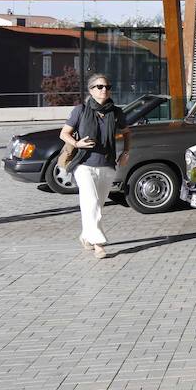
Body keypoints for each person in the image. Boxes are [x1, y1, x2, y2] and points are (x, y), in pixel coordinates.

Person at [60, 74, 130, 258]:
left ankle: (86, 236)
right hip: (84, 164)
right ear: (91, 90)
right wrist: (77, 144)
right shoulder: (80, 110)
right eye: (99, 86)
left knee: (96, 205)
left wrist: (126, 152)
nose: (104, 89)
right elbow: (64, 134)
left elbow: (127, 132)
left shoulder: (116, 112)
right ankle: (99, 244)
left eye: (107, 86)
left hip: (107, 165)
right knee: (91, 203)